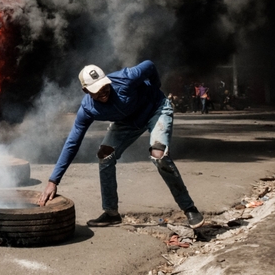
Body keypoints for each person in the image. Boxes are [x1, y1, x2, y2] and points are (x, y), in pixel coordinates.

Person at [38, 60, 204, 229]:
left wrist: (155, 90)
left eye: (104, 86)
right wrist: (53, 181)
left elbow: (150, 65)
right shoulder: (87, 109)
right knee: (105, 154)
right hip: (128, 122)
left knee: (158, 155)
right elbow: (73, 142)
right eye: (97, 90)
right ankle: (111, 213)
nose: (103, 92)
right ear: (86, 91)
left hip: (156, 109)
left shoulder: (126, 79)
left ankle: (189, 208)